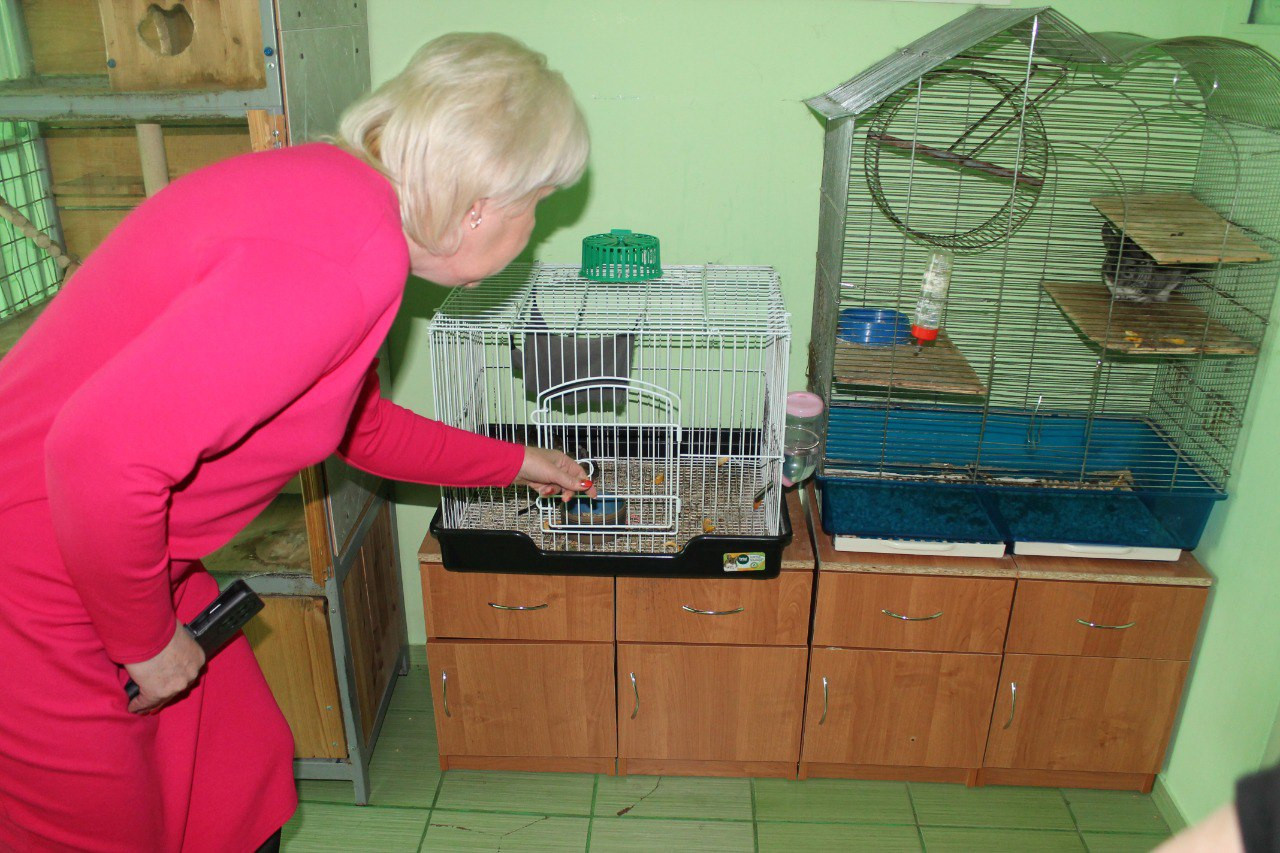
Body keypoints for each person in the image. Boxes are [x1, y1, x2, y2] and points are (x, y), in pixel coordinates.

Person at [0, 32, 592, 852]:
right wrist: (144, 642)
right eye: (538, 206)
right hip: (36, 575)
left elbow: (357, 424)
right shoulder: (344, 260)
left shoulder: (343, 203)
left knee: (234, 776)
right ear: (480, 205)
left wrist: (517, 462)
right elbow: (95, 456)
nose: (531, 231)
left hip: (122, 550)